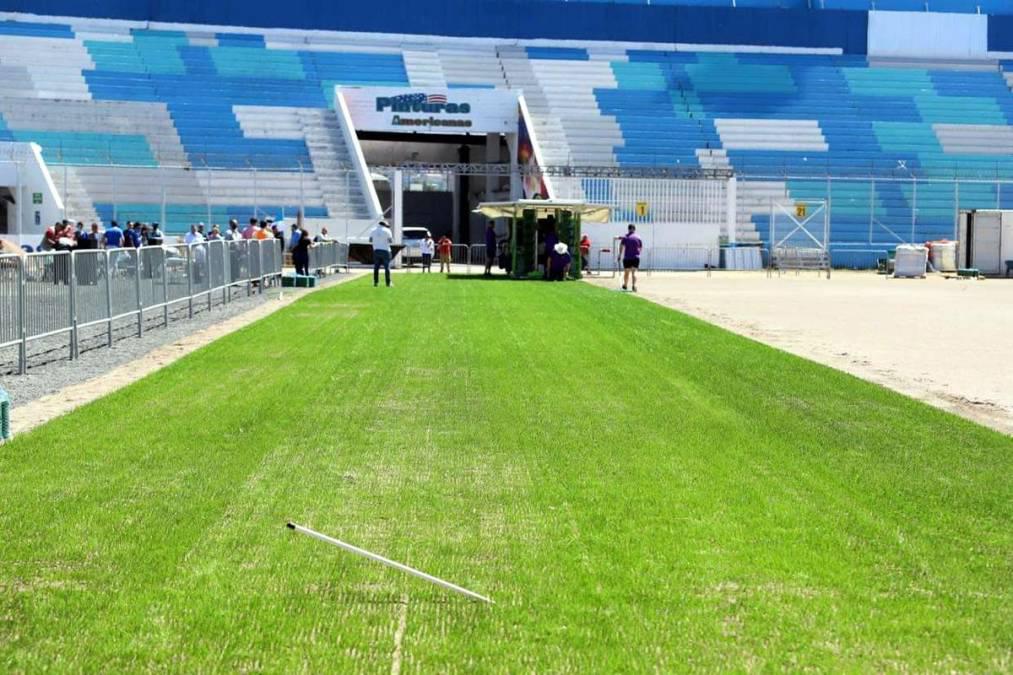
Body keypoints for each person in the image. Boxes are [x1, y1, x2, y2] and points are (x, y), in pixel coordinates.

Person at [618, 223, 643, 292]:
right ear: (634, 229)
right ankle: (634, 285)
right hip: (636, 257)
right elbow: (640, 247)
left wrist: (619, 255)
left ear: (628, 229)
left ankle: (625, 285)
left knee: (626, 272)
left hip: (627, 257)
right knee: (634, 272)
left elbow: (621, 246)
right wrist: (638, 253)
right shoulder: (638, 237)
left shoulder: (625, 237)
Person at [369, 220, 393, 288]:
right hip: (385, 250)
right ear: (385, 225)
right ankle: (388, 283)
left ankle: (375, 282)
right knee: (387, 267)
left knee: (376, 267)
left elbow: (370, 240)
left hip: (376, 250)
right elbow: (390, 241)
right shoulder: (387, 230)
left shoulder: (373, 230)